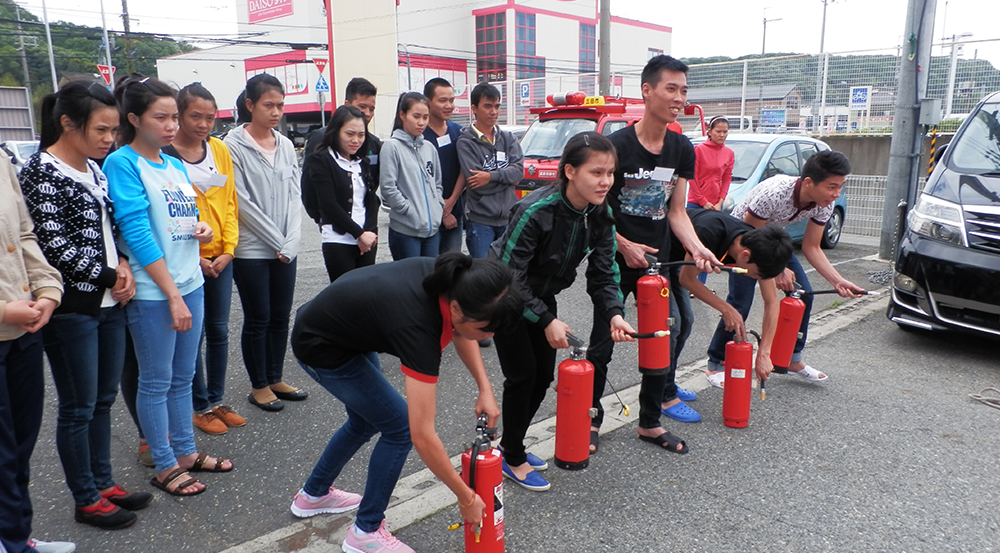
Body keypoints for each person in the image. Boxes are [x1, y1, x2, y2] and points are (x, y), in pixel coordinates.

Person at [288, 252, 522, 553]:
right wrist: (466, 497)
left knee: (366, 419)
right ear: (455, 307)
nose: (489, 336)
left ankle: (313, 495)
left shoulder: (457, 280)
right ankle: (365, 531)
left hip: (345, 328)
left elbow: (463, 329)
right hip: (321, 345)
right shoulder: (418, 328)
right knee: (398, 427)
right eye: (486, 329)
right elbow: (422, 434)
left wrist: (484, 388)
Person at [19, 81, 148, 530]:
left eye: (114, 131)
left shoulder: (94, 169)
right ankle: (85, 497)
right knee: (77, 405)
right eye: (101, 130)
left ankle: (103, 482)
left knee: (102, 399)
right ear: (67, 123)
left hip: (110, 300)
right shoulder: (39, 172)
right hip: (72, 306)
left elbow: (110, 229)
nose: (109, 139)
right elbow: (51, 246)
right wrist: (112, 274)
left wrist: (125, 265)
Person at [104, 74, 233, 497]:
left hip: (190, 280)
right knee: (156, 380)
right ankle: (163, 462)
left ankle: (186, 453)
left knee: (182, 377)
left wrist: (198, 232)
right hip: (155, 291)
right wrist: (173, 295)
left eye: (174, 117)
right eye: (161, 117)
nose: (171, 126)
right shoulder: (123, 163)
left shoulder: (174, 163)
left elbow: (181, 219)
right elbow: (137, 232)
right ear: (134, 118)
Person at [588, 55, 721, 453]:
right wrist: (623, 244)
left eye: (684, 91)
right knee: (602, 344)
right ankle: (588, 418)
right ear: (647, 91)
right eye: (671, 89)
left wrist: (698, 248)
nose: (679, 98)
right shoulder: (616, 146)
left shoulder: (682, 148)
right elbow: (596, 208)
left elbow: (676, 210)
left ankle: (649, 423)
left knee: (659, 339)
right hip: (613, 260)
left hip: (656, 264)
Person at [490, 132, 636, 491]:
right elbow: (510, 277)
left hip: (542, 297)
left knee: (542, 377)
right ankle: (511, 456)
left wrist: (615, 313)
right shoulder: (535, 210)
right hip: (504, 297)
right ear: (570, 171)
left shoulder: (600, 214)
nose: (606, 182)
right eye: (596, 173)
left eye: (611, 173)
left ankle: (513, 445)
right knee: (523, 376)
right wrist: (546, 320)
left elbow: (603, 273)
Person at [705, 150, 866, 385]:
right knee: (740, 303)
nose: (836, 194)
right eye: (832, 186)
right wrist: (777, 269)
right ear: (809, 182)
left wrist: (837, 280)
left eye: (840, 186)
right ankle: (716, 363)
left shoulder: (823, 204)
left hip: (776, 242)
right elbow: (748, 238)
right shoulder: (774, 194)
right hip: (743, 244)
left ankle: (791, 358)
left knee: (803, 295)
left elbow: (812, 247)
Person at [162, 83, 245, 435]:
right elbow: (172, 215)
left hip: (222, 256)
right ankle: (198, 405)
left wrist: (229, 249)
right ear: (180, 114)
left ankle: (216, 399)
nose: (204, 124)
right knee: (193, 334)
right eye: (196, 116)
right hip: (187, 258)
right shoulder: (165, 155)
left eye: (211, 117)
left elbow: (229, 201)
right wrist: (197, 258)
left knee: (220, 330)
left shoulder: (220, 149)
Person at [0, 126, 67, 553]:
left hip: (24, 324)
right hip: (8, 316)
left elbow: (24, 234)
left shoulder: (2, 161)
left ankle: (16, 535)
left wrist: (48, 290)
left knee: (21, 441)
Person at [225, 73, 307, 412]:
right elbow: (241, 202)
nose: (276, 112)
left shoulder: (286, 144)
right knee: (257, 317)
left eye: (280, 105)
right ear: (250, 105)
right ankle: (258, 385)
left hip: (284, 248)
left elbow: (293, 195)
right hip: (253, 249)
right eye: (268, 105)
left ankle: (275, 377)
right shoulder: (232, 146)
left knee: (280, 316)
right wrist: (278, 241)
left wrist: (290, 241)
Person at [664, 208, 793, 397]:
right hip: (662, 257)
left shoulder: (760, 250)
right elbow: (688, 279)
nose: (756, 278)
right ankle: (662, 395)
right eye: (756, 274)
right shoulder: (710, 233)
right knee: (674, 325)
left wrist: (763, 353)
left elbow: (772, 302)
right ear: (745, 255)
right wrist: (727, 309)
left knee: (686, 322)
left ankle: (667, 385)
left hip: (681, 260)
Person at [301, 105, 379, 282]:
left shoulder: (362, 162)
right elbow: (328, 204)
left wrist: (368, 234)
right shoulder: (321, 160)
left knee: (365, 296)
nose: (356, 140)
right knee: (344, 297)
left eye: (361, 135)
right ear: (336, 132)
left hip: (366, 241)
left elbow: (372, 200)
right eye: (349, 134)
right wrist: (359, 234)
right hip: (338, 240)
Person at [456, 82, 524, 259]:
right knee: (482, 275)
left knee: (507, 273)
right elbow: (478, 184)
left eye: (496, 106)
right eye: (487, 106)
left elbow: (518, 174)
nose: (493, 111)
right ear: (474, 108)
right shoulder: (466, 142)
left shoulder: (508, 138)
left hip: (508, 219)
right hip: (481, 223)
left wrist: (491, 176)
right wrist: (506, 179)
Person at [378, 92, 444, 260]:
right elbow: (388, 188)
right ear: (403, 115)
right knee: (409, 283)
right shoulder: (391, 147)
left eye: (425, 117)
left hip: (432, 231)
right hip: (406, 231)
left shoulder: (429, 147)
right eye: (416, 116)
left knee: (430, 280)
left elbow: (437, 183)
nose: (421, 122)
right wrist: (408, 211)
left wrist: (438, 206)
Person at [303, 77, 381, 181]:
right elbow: (308, 182)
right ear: (347, 105)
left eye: (371, 109)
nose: (367, 113)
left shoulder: (374, 143)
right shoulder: (321, 138)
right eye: (362, 106)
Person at [689, 116, 735, 284]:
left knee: (709, 245)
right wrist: (703, 201)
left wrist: (720, 202)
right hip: (696, 203)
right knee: (691, 243)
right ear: (709, 131)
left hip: (716, 205)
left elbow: (727, 178)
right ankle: (686, 279)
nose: (722, 135)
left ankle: (700, 283)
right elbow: (691, 177)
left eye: (725, 132)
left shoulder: (729, 153)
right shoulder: (699, 150)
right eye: (718, 131)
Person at [423, 77, 466, 253]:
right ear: (428, 101)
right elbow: (422, 178)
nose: (449, 105)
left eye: (451, 100)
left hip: (455, 210)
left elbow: (465, 168)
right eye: (442, 100)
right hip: (426, 213)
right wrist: (442, 211)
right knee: (430, 268)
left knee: (452, 267)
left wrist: (451, 202)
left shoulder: (458, 131)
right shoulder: (420, 134)